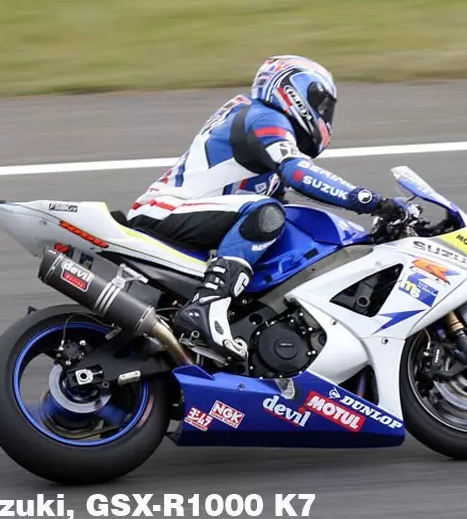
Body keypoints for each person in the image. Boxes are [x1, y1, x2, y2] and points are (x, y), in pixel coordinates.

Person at [127, 55, 410, 361]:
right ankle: (206, 306)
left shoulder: (262, 139)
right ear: (295, 92)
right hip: (165, 210)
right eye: (322, 104)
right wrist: (370, 201)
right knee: (266, 213)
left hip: (187, 218)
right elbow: (299, 173)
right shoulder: (263, 116)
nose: (325, 114)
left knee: (283, 225)